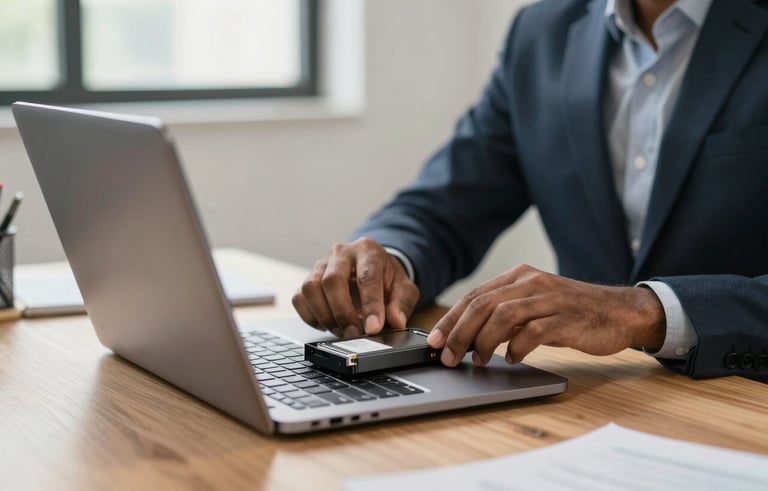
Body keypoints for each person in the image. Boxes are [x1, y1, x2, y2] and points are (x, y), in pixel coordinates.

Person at [292, 0, 768, 380]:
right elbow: (448, 201)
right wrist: (388, 262)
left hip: (742, 401)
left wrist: (645, 310)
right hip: (589, 398)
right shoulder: (542, 34)